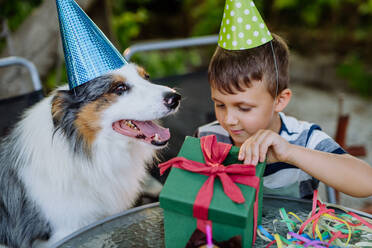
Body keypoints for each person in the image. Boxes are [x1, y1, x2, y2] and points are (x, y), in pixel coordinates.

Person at [196, 0, 372, 199]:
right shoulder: (208, 137)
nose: (228, 119)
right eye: (220, 104)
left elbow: (367, 183)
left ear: (280, 100)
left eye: (244, 108)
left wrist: (290, 153)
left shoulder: (304, 139)